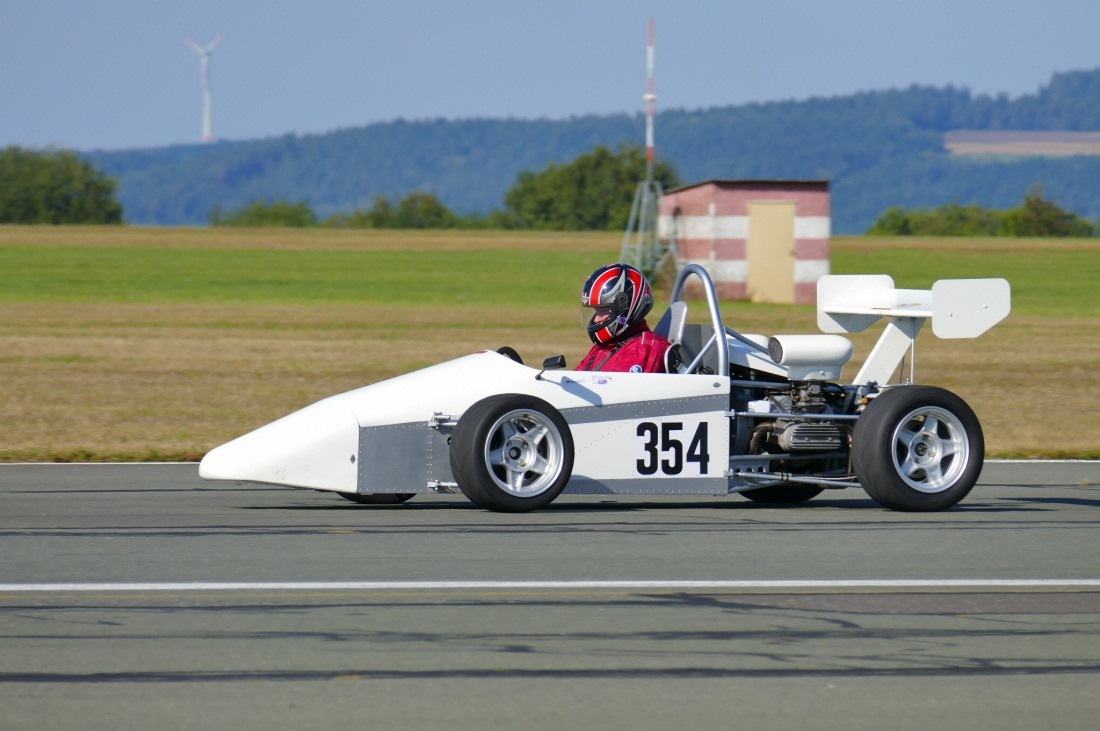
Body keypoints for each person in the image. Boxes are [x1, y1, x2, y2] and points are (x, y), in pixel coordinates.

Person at [577, 263, 670, 373]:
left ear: (625, 308)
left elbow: (615, 389)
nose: (597, 319)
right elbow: (577, 379)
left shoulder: (642, 348)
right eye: (596, 311)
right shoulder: (605, 346)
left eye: (603, 311)